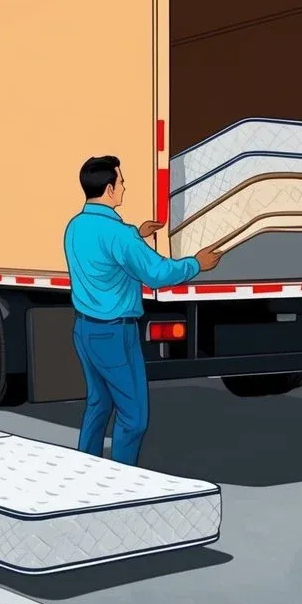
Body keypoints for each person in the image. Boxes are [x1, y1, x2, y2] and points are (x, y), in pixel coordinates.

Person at [64, 155, 223, 466]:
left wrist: (137, 236)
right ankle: (125, 482)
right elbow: (157, 274)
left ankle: (85, 471)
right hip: (114, 334)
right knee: (134, 417)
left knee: (99, 404)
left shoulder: (75, 226)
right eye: (121, 182)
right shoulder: (119, 234)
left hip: (84, 330)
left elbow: (105, 257)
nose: (124, 187)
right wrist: (196, 263)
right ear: (109, 189)